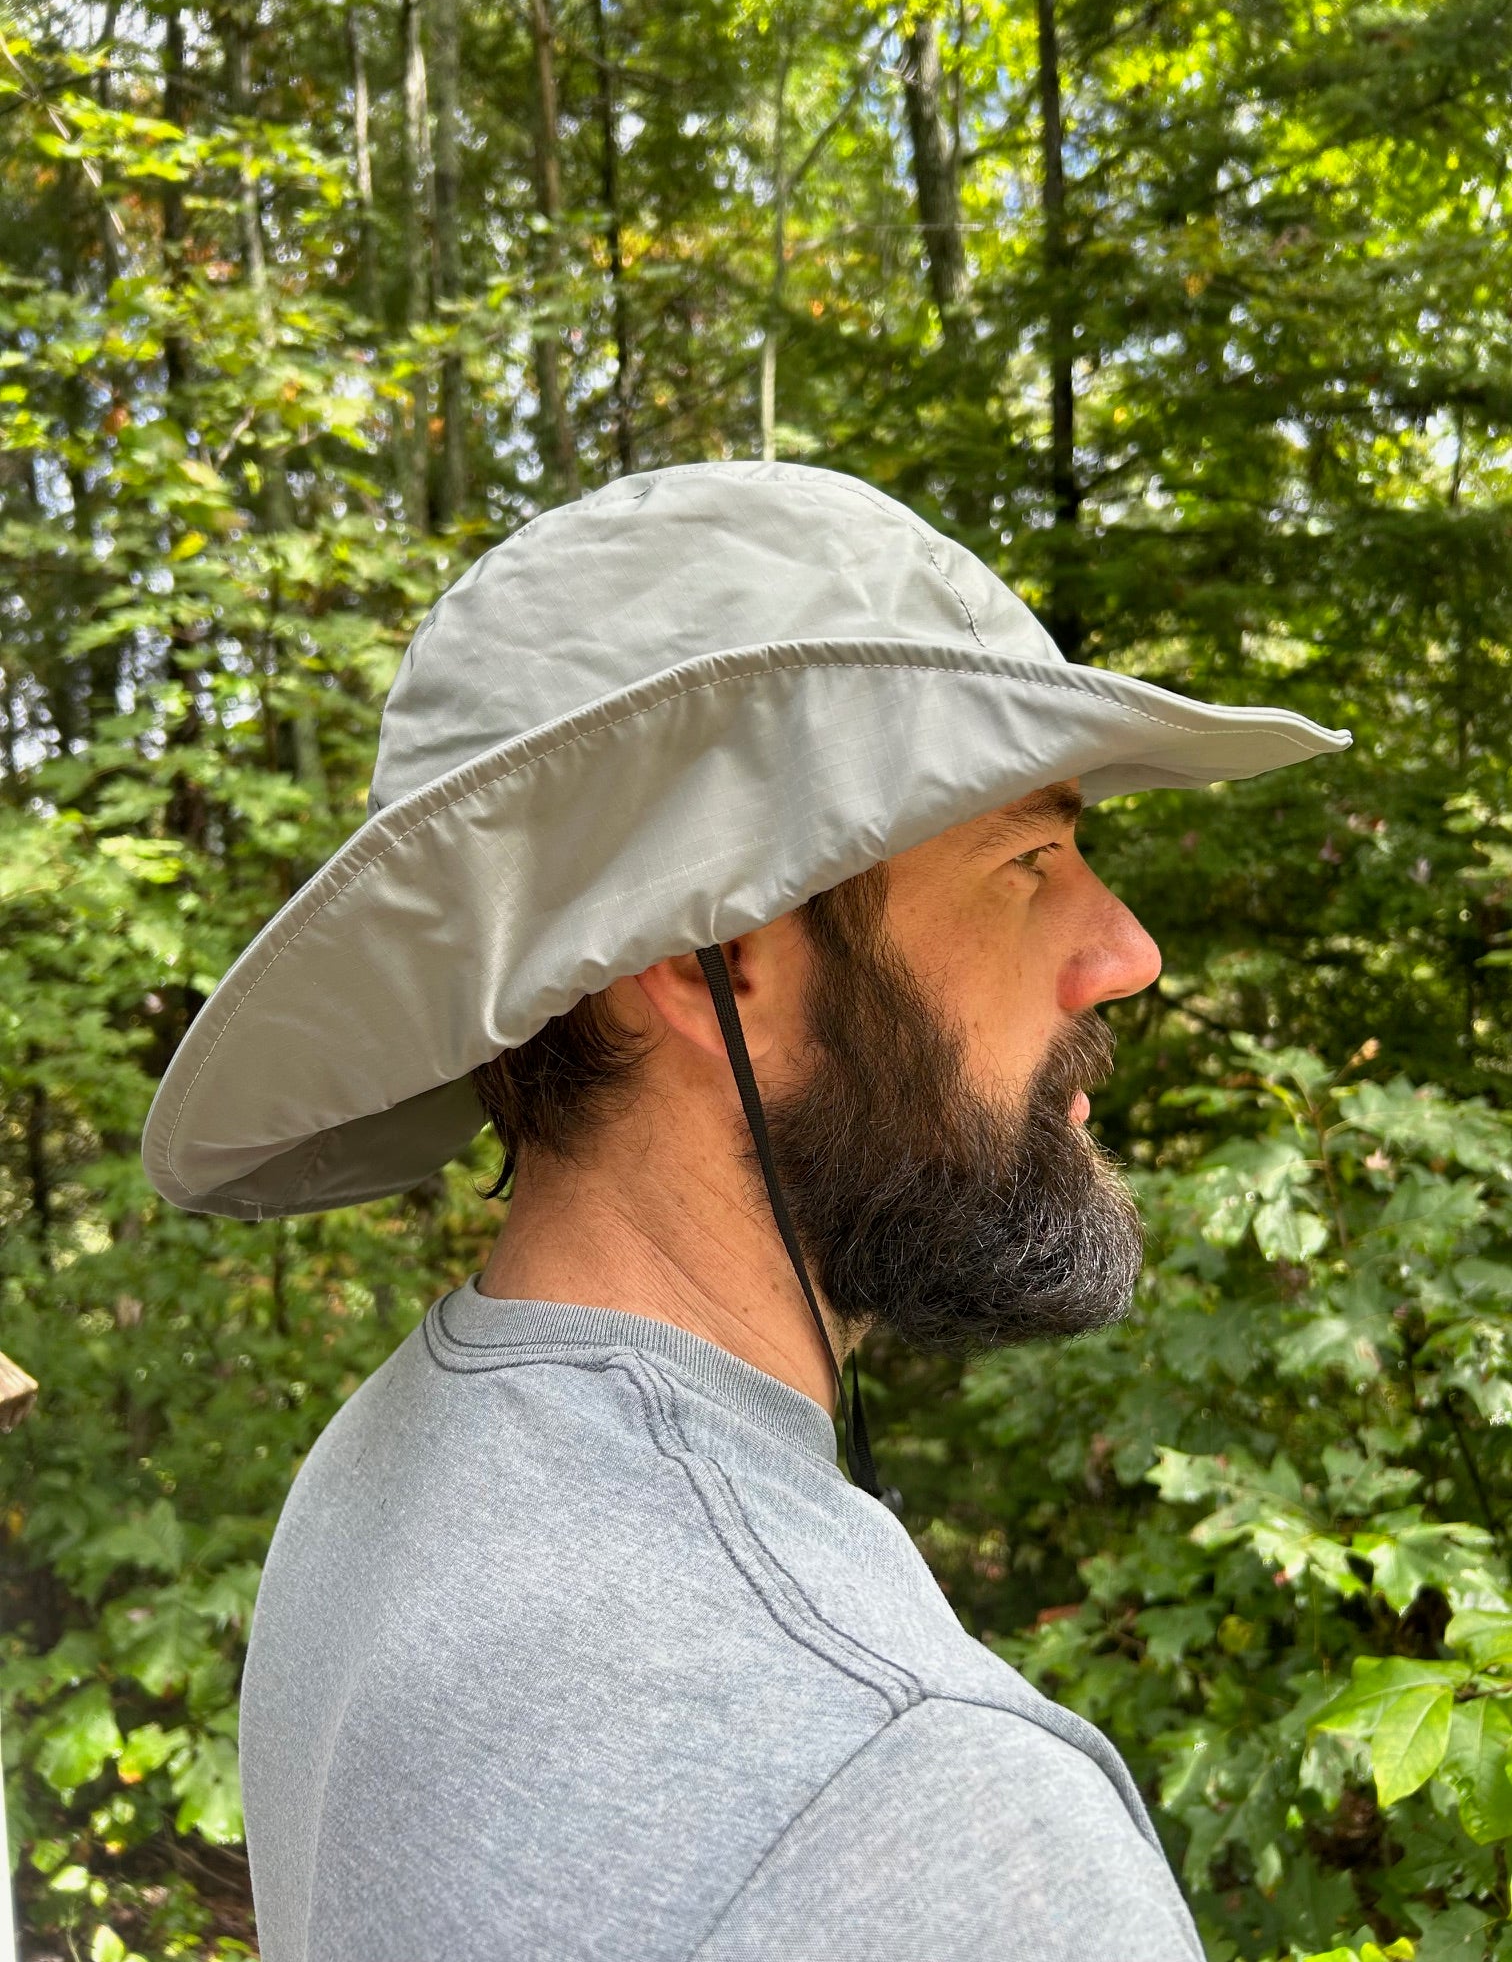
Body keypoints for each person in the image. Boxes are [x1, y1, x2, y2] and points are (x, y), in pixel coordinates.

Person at [143, 461, 1348, 1960]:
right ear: (710, 958)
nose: (1128, 950)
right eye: (1028, 857)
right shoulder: (932, 1813)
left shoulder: (384, 1473)